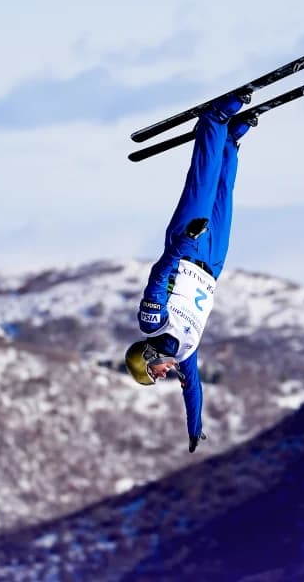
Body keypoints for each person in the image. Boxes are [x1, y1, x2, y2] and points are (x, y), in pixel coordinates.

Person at [124, 93, 255, 453]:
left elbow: (158, 274)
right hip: (212, 265)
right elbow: (193, 389)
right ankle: (231, 141)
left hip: (186, 249)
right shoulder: (185, 352)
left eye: (155, 373)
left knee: (201, 184)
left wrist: (182, 244)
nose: (164, 375)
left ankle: (214, 120)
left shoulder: (152, 324)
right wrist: (194, 428)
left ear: (147, 359)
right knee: (223, 197)